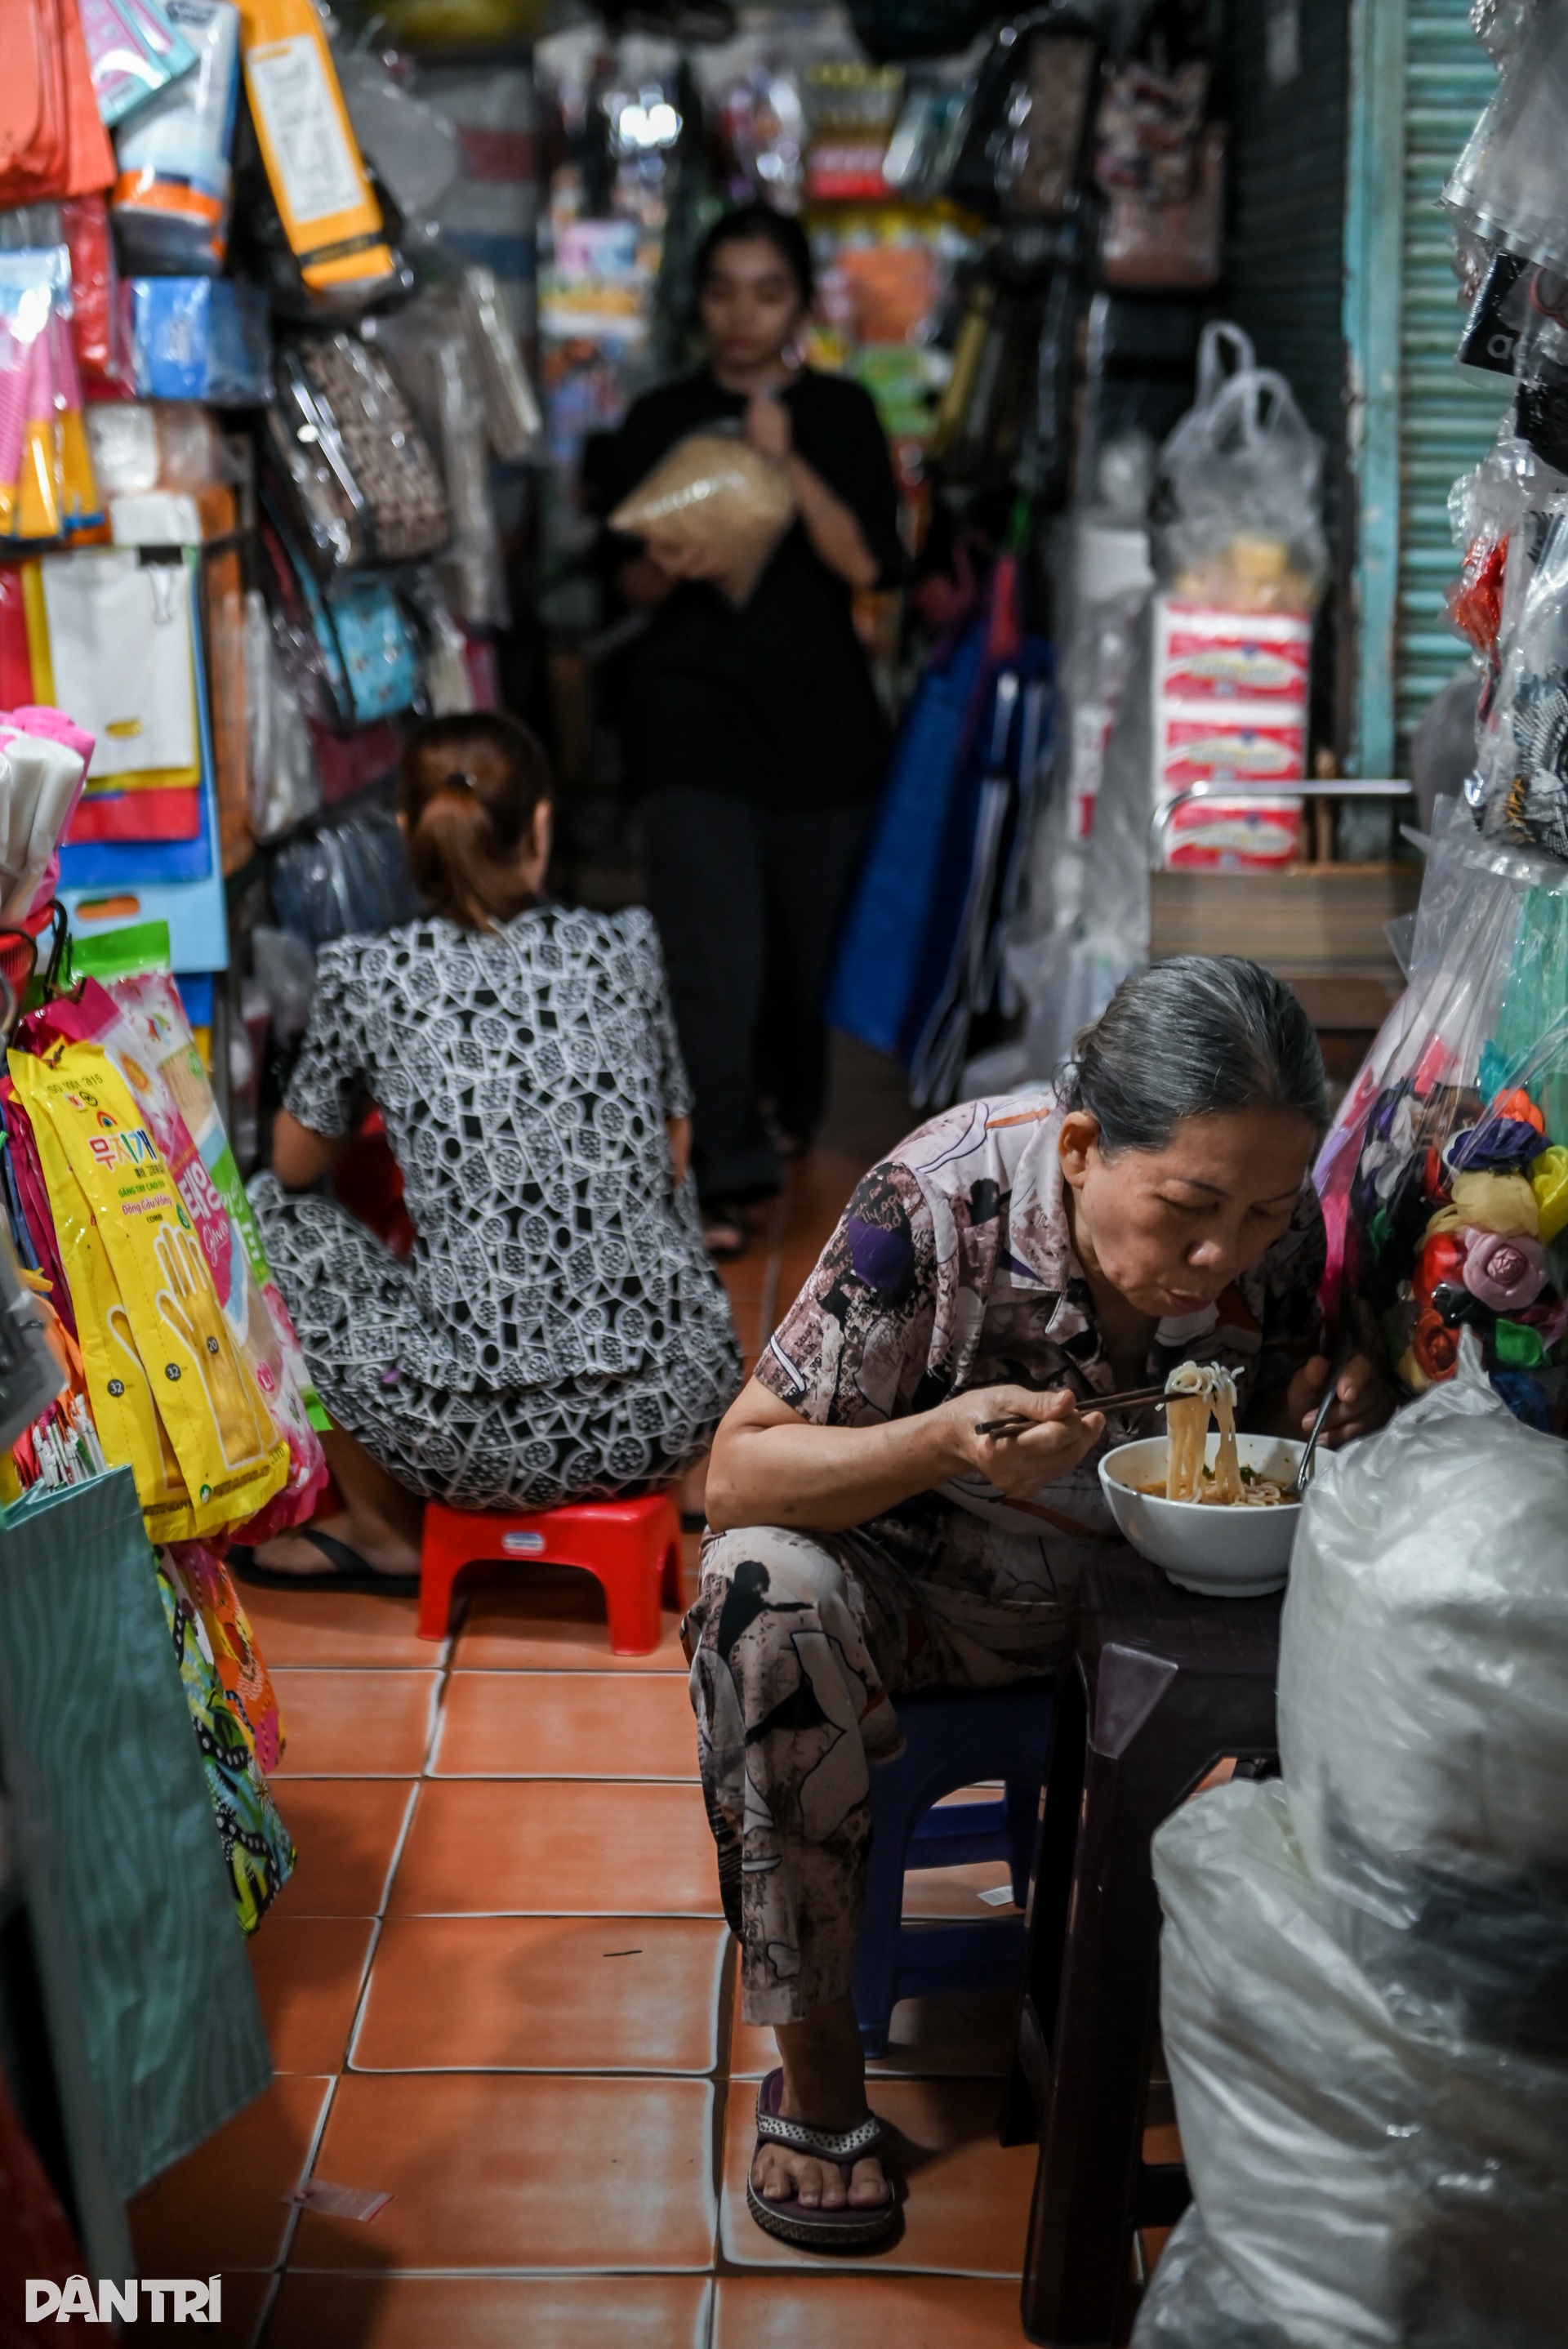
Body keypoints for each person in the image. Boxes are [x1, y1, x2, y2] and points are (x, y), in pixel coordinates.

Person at [686, 956, 1395, 2249]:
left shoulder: (1261, 1233)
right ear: (1078, 1147)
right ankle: (824, 2075)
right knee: (758, 1593)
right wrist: (945, 1443)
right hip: (921, 1610)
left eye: (1262, 1214)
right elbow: (738, 1471)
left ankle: (1274, 2044)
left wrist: (1321, 1403)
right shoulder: (937, 1203)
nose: (1219, 1254)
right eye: (1189, 1206)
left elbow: (1291, 1390)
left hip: (1159, 1603)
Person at [241, 711, 742, 1590]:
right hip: (669, 1412)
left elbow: (293, 1167)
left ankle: (384, 1524)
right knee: (670, 1159)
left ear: (406, 835)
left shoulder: (369, 972)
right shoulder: (624, 946)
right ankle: (692, 1477)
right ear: (540, 827)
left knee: (267, 1214)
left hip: (467, 1438)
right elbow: (669, 1156)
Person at [599, 202, 905, 1255]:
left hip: (820, 732)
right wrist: (667, 563)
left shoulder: (841, 413)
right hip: (690, 724)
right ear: (699, 301)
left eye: (766, 290)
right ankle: (720, 1171)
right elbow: (622, 578)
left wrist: (783, 460)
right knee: (708, 953)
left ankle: (786, 1110)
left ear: (799, 301)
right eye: (723, 289)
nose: (742, 312)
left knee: (800, 958)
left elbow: (868, 566)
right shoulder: (660, 416)